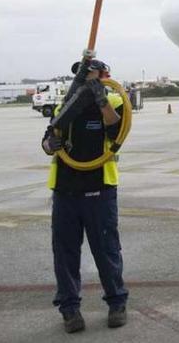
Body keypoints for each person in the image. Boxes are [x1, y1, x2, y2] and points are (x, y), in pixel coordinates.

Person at [41, 60, 128, 333]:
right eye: (81, 74)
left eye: (89, 72)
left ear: (103, 75)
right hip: (65, 191)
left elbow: (116, 130)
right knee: (65, 254)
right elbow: (48, 137)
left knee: (106, 250)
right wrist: (48, 144)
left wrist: (100, 98)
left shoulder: (113, 100)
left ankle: (116, 302)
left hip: (99, 189)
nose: (84, 77)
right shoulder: (65, 106)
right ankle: (69, 310)